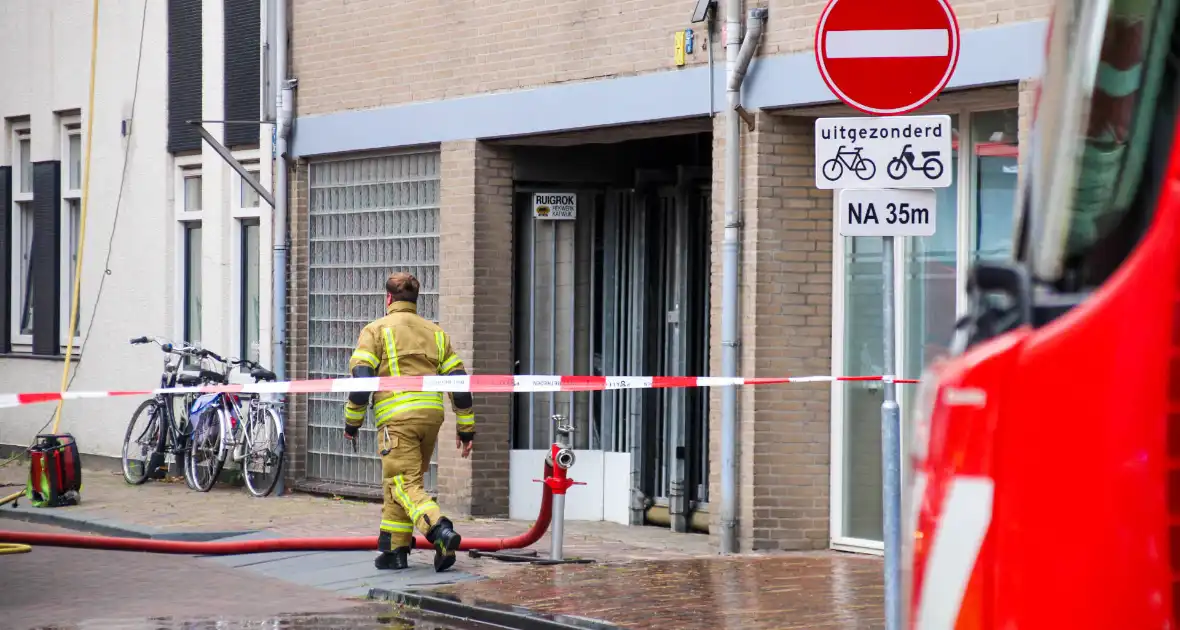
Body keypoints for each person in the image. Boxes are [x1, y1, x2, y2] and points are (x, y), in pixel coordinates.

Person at [343, 272, 475, 572]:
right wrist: (466, 428)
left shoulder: (375, 331)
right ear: (415, 300)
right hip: (431, 418)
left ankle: (439, 531)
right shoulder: (436, 333)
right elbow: (459, 383)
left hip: (397, 419)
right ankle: (394, 551)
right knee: (400, 482)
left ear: (388, 298)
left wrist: (352, 422)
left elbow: (362, 380)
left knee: (402, 483)